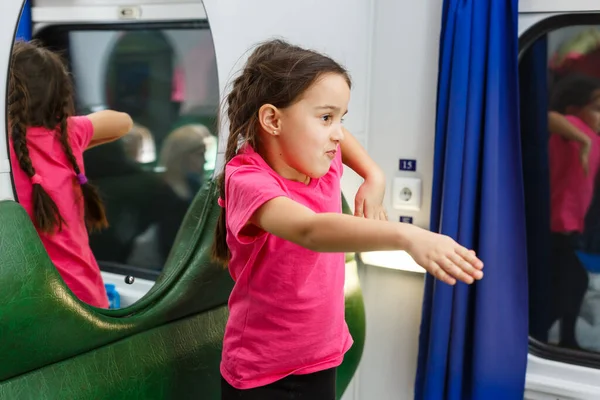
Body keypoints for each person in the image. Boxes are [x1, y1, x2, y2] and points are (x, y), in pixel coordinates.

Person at [212, 39, 484, 400]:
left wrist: (375, 176)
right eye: (326, 118)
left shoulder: (320, 164)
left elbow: (341, 140)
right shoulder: (248, 180)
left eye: (341, 118)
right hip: (263, 373)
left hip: (320, 358)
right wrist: (407, 236)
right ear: (272, 119)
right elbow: (311, 230)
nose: (337, 133)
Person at [8, 40, 133, 308]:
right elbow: (123, 122)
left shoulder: (6, 148)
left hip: (34, 306)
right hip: (87, 298)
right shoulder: (69, 135)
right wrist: (81, 135)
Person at [546, 74, 600, 349]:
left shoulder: (591, 135)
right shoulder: (575, 130)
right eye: (597, 109)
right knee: (572, 281)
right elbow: (550, 117)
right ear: (574, 110)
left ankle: (564, 335)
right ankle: (565, 338)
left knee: (570, 281)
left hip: (572, 223)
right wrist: (583, 139)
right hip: (559, 221)